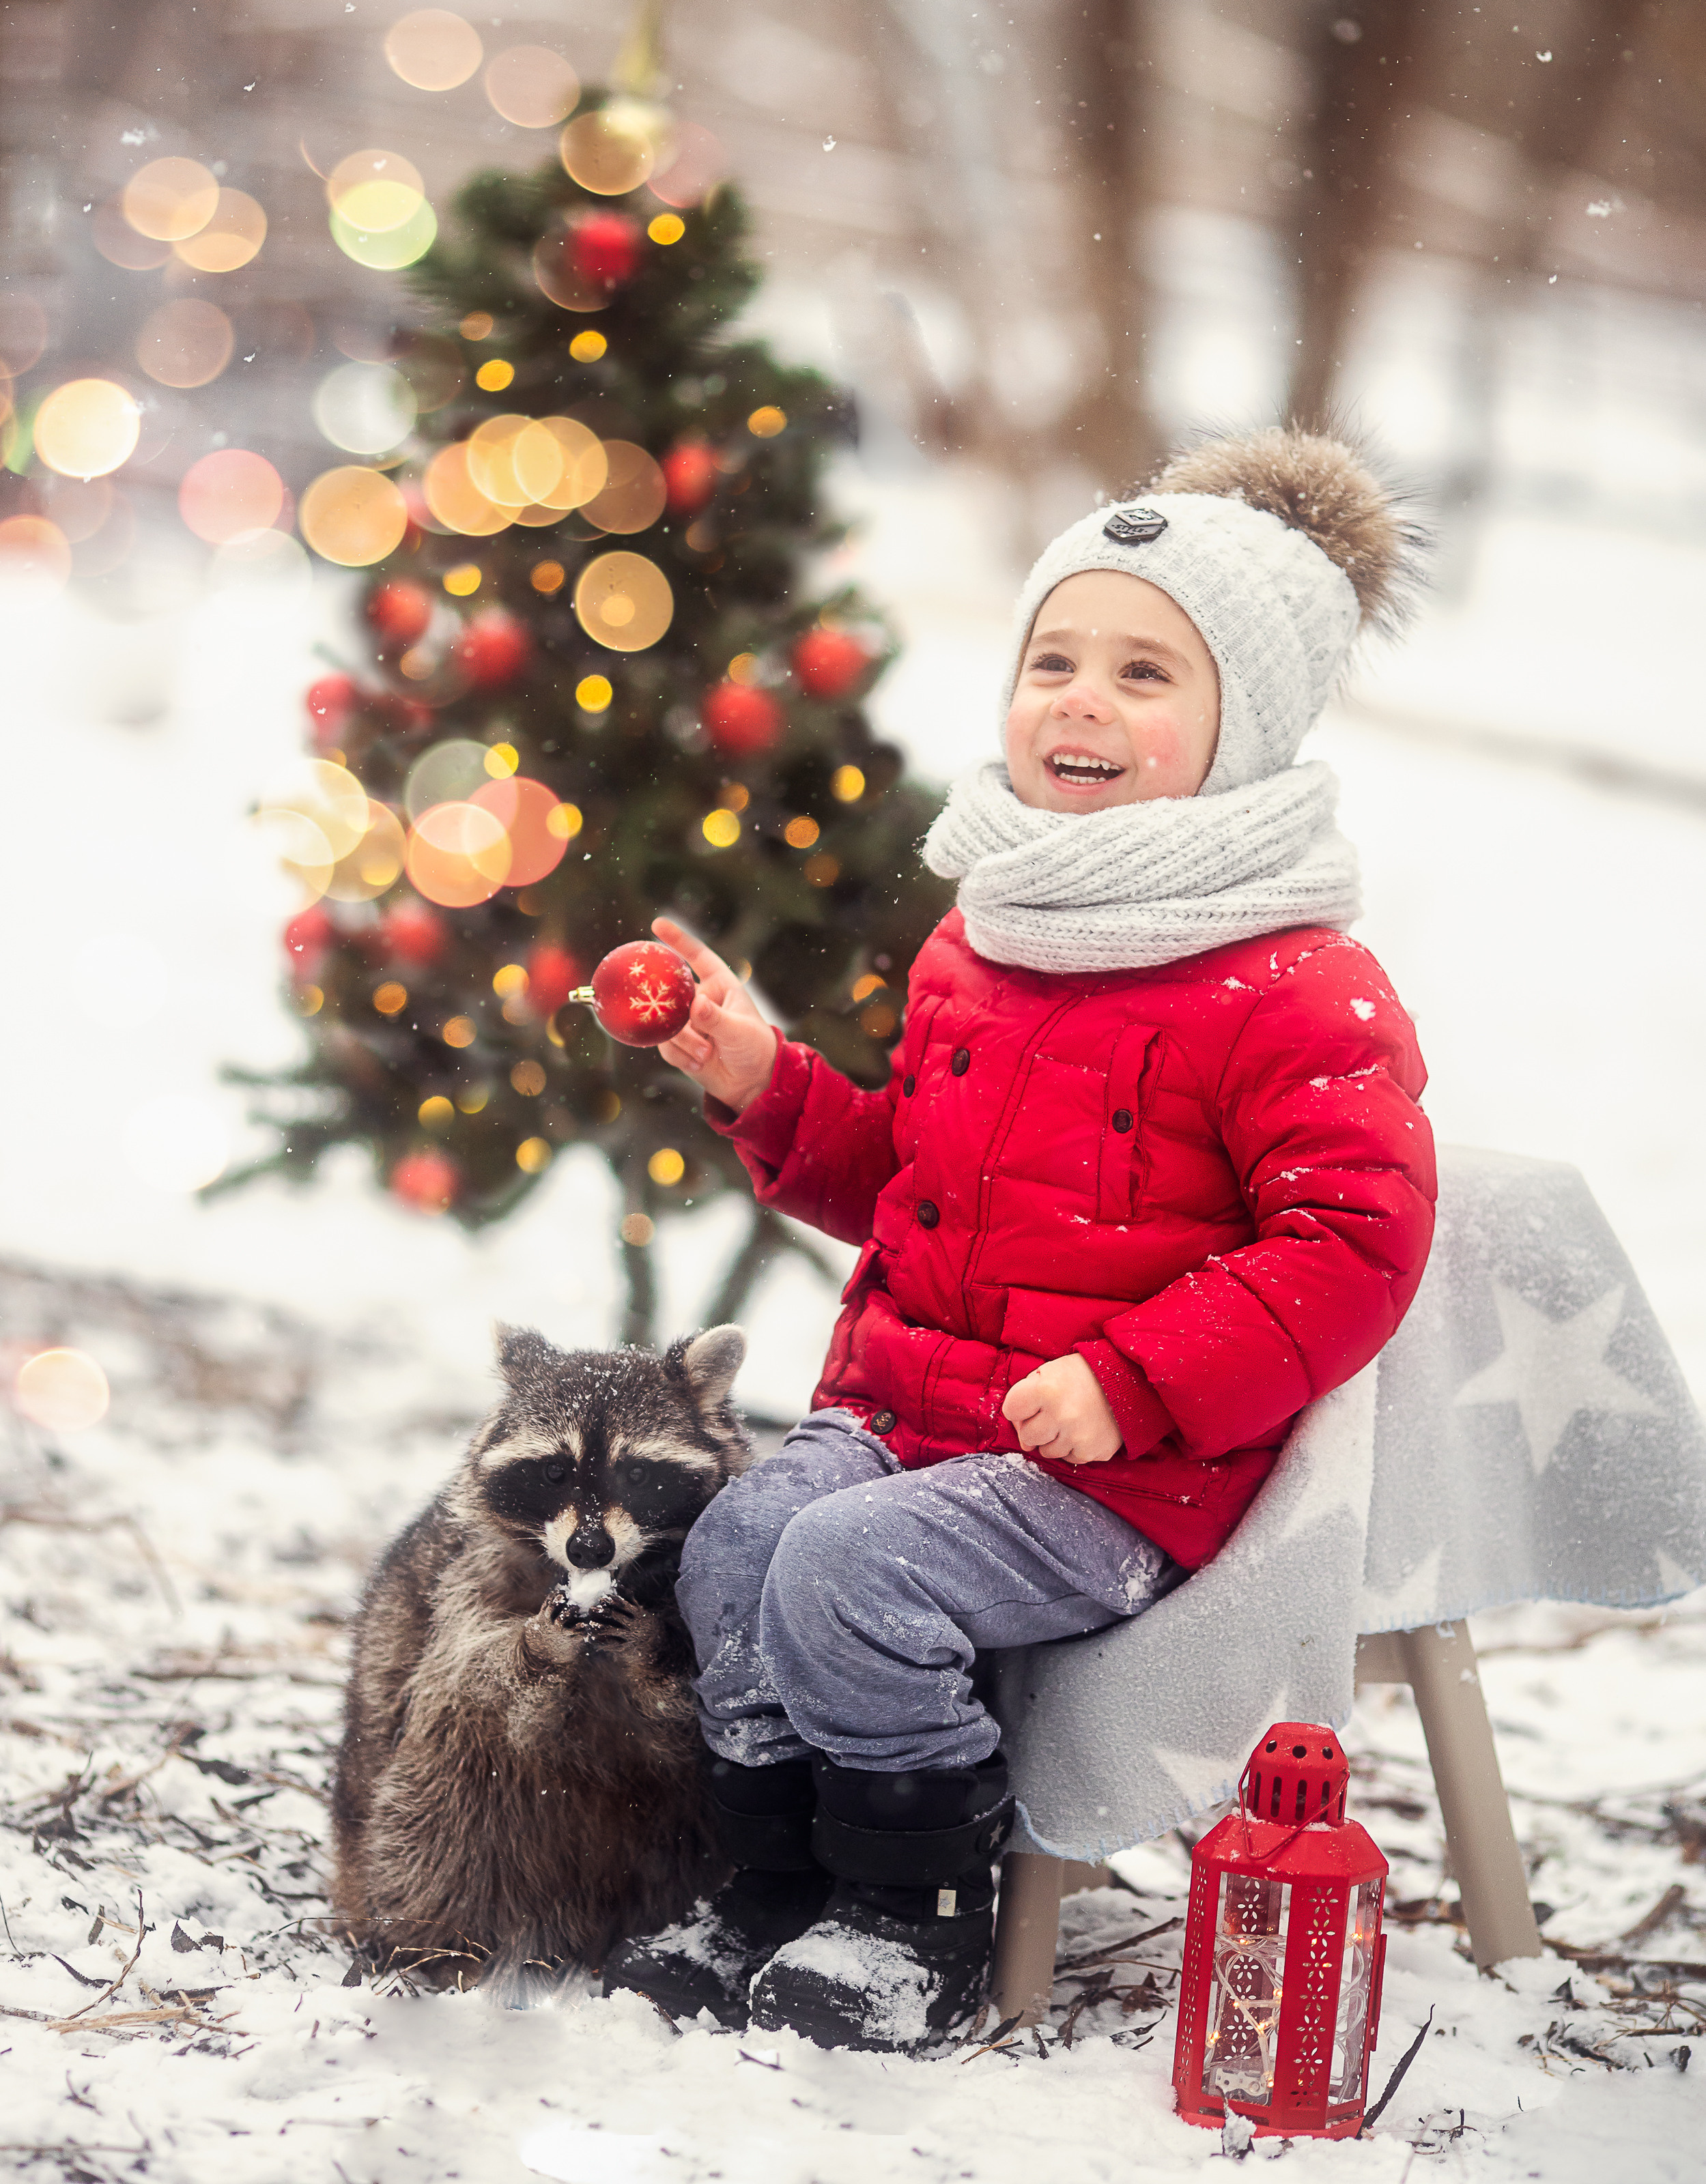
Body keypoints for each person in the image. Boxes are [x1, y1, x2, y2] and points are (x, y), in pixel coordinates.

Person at [603, 426, 1437, 2052]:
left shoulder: (1291, 984)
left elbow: (1352, 1244)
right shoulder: (985, 937)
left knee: (847, 1569)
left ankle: (909, 1908)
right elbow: (909, 1179)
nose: (1077, 697)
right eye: (1051, 656)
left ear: (1239, 730)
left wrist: (1132, 1381)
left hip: (1121, 1474)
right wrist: (764, 1080)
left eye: (1143, 672)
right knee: (740, 1543)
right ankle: (769, 1878)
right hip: (911, 1420)